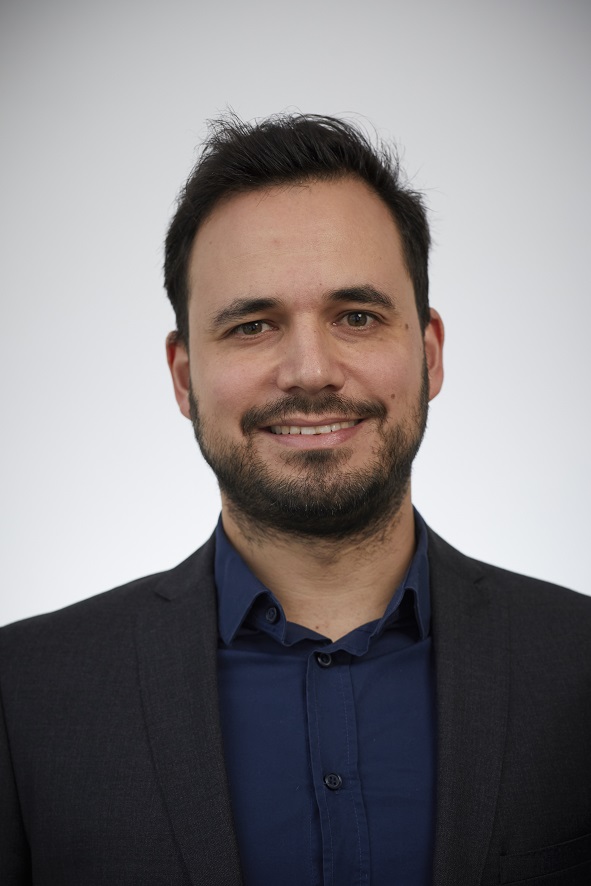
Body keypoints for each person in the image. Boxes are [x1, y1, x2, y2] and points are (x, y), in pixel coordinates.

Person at [1, 114, 589, 886]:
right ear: (183, 376)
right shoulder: (23, 693)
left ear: (429, 352)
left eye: (357, 317)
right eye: (252, 326)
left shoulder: (577, 662)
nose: (310, 371)